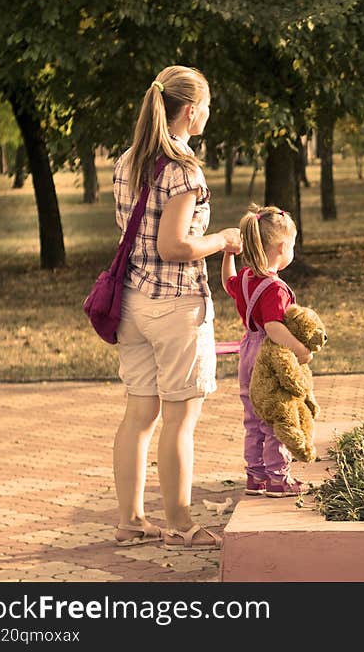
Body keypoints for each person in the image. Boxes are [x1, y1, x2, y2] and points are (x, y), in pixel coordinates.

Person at [111, 65, 243, 550]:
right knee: (179, 418)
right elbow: (174, 246)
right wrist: (224, 238)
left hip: (131, 303)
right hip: (175, 307)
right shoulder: (184, 171)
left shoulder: (128, 161)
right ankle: (182, 523)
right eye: (206, 106)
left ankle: (130, 521)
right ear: (190, 110)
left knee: (138, 414)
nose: (209, 113)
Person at [221, 204, 313, 497]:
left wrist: (227, 256)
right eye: (293, 245)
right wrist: (300, 349)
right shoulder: (276, 288)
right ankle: (278, 478)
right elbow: (274, 327)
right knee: (275, 416)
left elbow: (227, 283)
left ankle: (255, 476)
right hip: (267, 357)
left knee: (253, 418)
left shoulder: (247, 277)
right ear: (283, 246)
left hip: (246, 350)